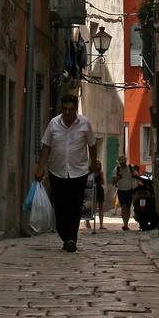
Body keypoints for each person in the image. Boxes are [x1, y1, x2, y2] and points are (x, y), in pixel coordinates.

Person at [35, 93, 97, 253]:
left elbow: (92, 144)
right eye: (65, 109)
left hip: (79, 172)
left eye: (70, 109)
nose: (68, 112)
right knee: (60, 206)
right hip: (57, 171)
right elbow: (46, 146)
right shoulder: (54, 124)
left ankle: (71, 238)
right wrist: (41, 168)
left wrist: (93, 163)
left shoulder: (84, 124)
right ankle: (64, 235)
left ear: (76, 108)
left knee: (75, 206)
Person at [112, 152, 138, 231]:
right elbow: (113, 182)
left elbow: (135, 177)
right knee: (123, 206)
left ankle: (126, 223)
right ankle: (125, 224)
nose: (122, 164)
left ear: (125, 162)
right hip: (121, 190)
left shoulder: (130, 168)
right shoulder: (117, 169)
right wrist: (118, 178)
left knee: (128, 207)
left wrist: (136, 186)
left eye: (123, 162)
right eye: (121, 163)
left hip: (129, 190)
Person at [84, 158, 105, 231]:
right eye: (96, 164)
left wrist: (101, 176)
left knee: (101, 207)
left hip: (99, 189)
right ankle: (87, 221)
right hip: (91, 189)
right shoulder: (90, 173)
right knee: (91, 206)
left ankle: (101, 224)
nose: (97, 166)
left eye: (99, 164)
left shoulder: (101, 173)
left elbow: (103, 183)